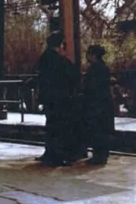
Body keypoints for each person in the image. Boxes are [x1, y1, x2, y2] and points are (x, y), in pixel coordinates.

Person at [36, 32, 79, 166]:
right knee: (60, 126)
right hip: (61, 98)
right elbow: (73, 75)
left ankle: (49, 153)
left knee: (50, 124)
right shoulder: (60, 60)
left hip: (49, 98)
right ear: (60, 44)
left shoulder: (44, 58)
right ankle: (58, 156)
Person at [82, 44, 115, 165]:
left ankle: (98, 156)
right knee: (102, 130)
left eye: (88, 54)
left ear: (93, 55)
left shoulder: (95, 69)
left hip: (97, 105)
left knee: (97, 130)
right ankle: (101, 155)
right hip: (103, 104)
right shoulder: (102, 67)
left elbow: (91, 87)